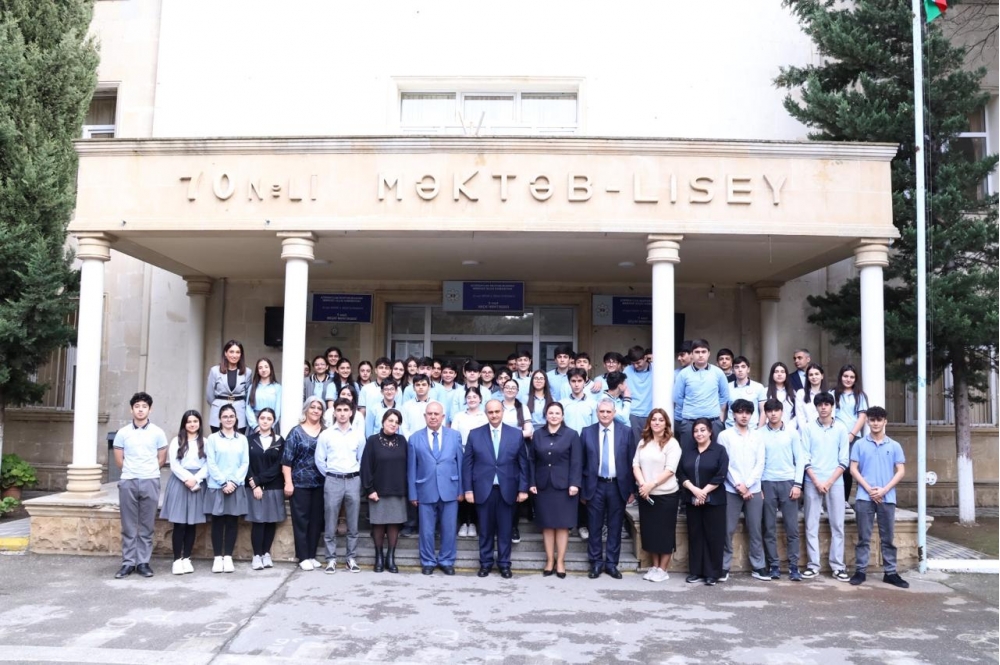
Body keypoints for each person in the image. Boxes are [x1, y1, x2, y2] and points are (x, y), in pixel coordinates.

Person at [463, 399, 530, 578]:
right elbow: (467, 465)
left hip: (507, 489)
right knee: (485, 530)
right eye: (490, 412)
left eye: (497, 411)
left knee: (505, 530)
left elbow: (523, 463)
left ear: (503, 412)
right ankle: (485, 563)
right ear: (486, 413)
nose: (494, 415)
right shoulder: (475, 434)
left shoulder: (515, 434)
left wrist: (523, 489)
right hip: (483, 490)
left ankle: (504, 564)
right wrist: (468, 490)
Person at [849, 406, 909, 588]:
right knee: (863, 537)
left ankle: (890, 572)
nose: (875, 423)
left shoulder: (894, 445)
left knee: (887, 537)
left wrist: (884, 490)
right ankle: (860, 571)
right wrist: (869, 489)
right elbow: (853, 469)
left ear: (885, 422)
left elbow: (900, 471)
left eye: (879, 420)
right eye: (872, 420)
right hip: (864, 497)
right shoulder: (859, 444)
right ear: (867, 422)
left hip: (887, 498)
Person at [580, 398, 637, 580]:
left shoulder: (626, 432)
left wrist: (632, 489)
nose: (605, 415)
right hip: (594, 485)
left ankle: (612, 564)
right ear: (597, 413)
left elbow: (632, 462)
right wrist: (582, 489)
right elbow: (581, 462)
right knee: (594, 526)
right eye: (602, 411)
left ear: (614, 413)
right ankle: (596, 563)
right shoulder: (587, 432)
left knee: (615, 526)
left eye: (608, 412)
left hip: (617, 486)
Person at [113, 392, 168, 579]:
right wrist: (132, 471)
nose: (140, 410)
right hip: (128, 481)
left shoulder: (158, 432)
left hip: (150, 480)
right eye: (137, 406)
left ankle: (143, 562)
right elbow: (119, 460)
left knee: (146, 524)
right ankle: (128, 563)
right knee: (128, 525)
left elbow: (161, 459)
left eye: (144, 406)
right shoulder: (123, 433)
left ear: (150, 410)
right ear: (131, 409)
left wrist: (147, 471)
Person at [407, 401, 464, 575]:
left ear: (443, 416)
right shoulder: (414, 438)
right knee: (426, 530)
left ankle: (447, 561)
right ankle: (428, 561)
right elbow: (411, 468)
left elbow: (460, 464)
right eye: (429, 414)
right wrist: (412, 493)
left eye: (436, 414)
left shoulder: (455, 436)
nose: (433, 417)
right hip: (425, 489)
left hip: (450, 488)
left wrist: (461, 489)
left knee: (449, 529)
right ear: (425, 416)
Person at [527, 402, 582, 579]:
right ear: (546, 415)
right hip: (543, 486)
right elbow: (531, 461)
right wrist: (532, 482)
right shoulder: (538, 434)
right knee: (547, 525)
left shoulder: (571, 434)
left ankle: (560, 562)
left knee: (562, 525)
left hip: (565, 487)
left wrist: (575, 483)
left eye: (557, 413)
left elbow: (576, 461)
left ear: (562, 416)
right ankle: (550, 560)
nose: (554, 416)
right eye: (551, 413)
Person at [801, 392, 850, 581]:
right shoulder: (808, 428)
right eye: (820, 404)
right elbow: (805, 457)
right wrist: (816, 481)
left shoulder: (841, 428)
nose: (823, 407)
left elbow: (844, 460)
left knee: (837, 525)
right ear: (816, 407)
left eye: (826, 404)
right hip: (812, 481)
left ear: (831, 406)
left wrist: (829, 482)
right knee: (810, 525)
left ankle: (838, 566)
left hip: (835, 482)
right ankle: (813, 565)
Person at [718, 399, 768, 582]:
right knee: (727, 529)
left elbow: (760, 463)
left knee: (755, 529)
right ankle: (724, 566)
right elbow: (725, 463)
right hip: (731, 489)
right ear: (733, 414)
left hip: (753, 489)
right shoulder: (725, 436)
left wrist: (748, 484)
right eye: (740, 412)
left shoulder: (758, 436)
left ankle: (758, 566)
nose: (744, 415)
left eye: (747, 412)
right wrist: (739, 485)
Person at [315, 397, 366, 574]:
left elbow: (362, 459)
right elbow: (320, 460)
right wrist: (331, 475)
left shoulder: (358, 435)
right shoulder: (326, 435)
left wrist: (354, 475)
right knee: (330, 522)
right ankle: (331, 559)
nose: (342, 414)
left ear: (351, 412)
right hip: (333, 479)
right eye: (339, 410)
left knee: (353, 521)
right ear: (334, 412)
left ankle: (351, 558)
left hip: (353, 479)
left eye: (346, 410)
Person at [677, 417, 730, 586]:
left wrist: (703, 493)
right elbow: (681, 473)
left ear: (710, 432)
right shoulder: (688, 451)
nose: (699, 434)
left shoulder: (719, 450)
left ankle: (712, 573)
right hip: (692, 499)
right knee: (695, 535)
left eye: (702, 430)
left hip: (714, 501)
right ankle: (696, 571)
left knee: (714, 537)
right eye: (696, 431)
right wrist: (695, 491)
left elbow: (721, 474)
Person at [631, 408, 681, 583]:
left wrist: (651, 485)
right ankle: (654, 566)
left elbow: (670, 470)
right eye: (654, 419)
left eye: (660, 420)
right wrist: (643, 485)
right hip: (646, 495)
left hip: (666, 495)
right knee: (650, 531)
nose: (657, 422)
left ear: (666, 423)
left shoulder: (672, 444)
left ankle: (663, 569)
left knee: (664, 533)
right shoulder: (643, 442)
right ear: (649, 423)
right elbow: (635, 465)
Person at [760, 398, 804, 581]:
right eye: (769, 411)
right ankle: (774, 566)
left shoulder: (792, 432)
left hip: (788, 482)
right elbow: (757, 461)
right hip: (767, 482)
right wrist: (758, 486)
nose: (773, 414)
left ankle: (794, 566)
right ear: (765, 413)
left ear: (781, 412)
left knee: (792, 528)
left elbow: (800, 459)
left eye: (776, 410)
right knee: (769, 528)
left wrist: (797, 484)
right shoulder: (759, 434)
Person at [361, 408, 408, 573]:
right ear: (383, 422)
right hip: (378, 491)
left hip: (398, 490)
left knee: (394, 524)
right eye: (390, 421)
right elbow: (365, 467)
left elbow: (407, 466)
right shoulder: (373, 441)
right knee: (379, 524)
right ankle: (379, 557)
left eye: (396, 422)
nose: (393, 424)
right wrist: (369, 489)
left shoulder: (402, 441)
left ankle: (390, 557)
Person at [282, 396, 326, 571]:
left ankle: (311, 555)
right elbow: (286, 460)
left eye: (319, 408)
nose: (315, 410)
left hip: (321, 483)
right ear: (306, 409)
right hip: (299, 483)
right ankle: (303, 556)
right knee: (301, 521)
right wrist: (288, 482)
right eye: (312, 407)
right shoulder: (296, 432)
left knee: (316, 521)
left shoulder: (326, 432)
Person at [161, 409, 208, 575]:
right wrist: (187, 478)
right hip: (180, 482)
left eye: (195, 421)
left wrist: (197, 479)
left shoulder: (205, 442)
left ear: (199, 423)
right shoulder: (177, 441)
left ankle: (187, 558)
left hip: (197, 482)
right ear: (184, 424)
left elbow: (208, 464)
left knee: (191, 523)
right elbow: (174, 465)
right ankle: (177, 559)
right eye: (189, 421)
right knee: (180, 523)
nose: (192, 424)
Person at [204, 403, 249, 573]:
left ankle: (228, 557)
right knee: (217, 522)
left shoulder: (242, 439)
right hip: (217, 486)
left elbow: (245, 463)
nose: (228, 419)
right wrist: (223, 482)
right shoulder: (213, 439)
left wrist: (234, 482)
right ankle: (217, 557)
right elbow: (211, 463)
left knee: (232, 521)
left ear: (236, 418)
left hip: (236, 486)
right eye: (225, 417)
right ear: (219, 419)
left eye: (231, 416)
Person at [244, 408, 285, 570]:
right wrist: (254, 484)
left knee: (270, 522)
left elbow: (278, 466)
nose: (265, 421)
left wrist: (259, 480)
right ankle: (257, 555)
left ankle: (266, 553)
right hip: (254, 487)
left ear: (273, 421)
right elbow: (245, 463)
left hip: (273, 486)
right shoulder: (248, 440)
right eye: (262, 418)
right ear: (258, 420)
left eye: (269, 418)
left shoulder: (280, 440)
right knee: (258, 522)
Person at [673, 339, 729, 447]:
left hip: (713, 421)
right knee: (688, 454)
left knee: (713, 454)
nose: (700, 355)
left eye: (703, 352)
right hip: (689, 422)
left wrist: (713, 408)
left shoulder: (718, 373)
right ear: (692, 354)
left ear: (709, 353)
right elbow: (678, 397)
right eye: (697, 352)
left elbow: (725, 395)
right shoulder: (683, 374)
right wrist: (692, 407)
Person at [451, 386, 488, 538]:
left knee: (475, 487)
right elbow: (453, 436)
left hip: (480, 456)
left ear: (480, 399)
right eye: (469, 397)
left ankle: (472, 522)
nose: (472, 399)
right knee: (462, 487)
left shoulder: (485, 416)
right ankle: (463, 522)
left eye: (474, 397)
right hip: (461, 454)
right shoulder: (459, 416)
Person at [832, 364, 869, 513]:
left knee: (848, 469)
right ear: (841, 377)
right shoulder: (833, 393)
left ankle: (845, 500)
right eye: (846, 376)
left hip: (853, 437)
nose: (848, 379)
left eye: (852, 377)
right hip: (835, 436)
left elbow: (862, 416)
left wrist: (852, 434)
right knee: (835, 468)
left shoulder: (860, 395)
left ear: (856, 379)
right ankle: (832, 500)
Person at [206, 340, 252, 434]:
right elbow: (209, 395)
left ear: (241, 355)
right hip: (218, 413)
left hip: (239, 413)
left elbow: (248, 395)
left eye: (237, 352)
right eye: (231, 352)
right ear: (225, 353)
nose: (234, 355)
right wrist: (218, 404)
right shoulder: (215, 370)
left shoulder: (247, 372)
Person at [624, 345, 654, 442]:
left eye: (638, 363)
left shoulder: (656, 368)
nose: (636, 366)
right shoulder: (627, 370)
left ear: (645, 358)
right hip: (633, 413)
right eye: (633, 363)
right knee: (636, 445)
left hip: (651, 413)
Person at [246, 357, 281, 434]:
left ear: (271, 369)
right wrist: (255, 426)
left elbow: (278, 409)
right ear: (257, 371)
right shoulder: (252, 387)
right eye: (260, 368)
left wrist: (270, 425)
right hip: (255, 422)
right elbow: (248, 409)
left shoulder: (277, 387)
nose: (263, 370)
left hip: (271, 423)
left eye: (266, 367)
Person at [560, 368, 597, 434]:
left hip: (586, 439)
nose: (576, 384)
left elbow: (595, 427)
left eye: (579, 381)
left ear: (584, 382)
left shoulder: (593, 404)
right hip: (567, 439)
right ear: (569, 382)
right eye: (573, 381)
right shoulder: (562, 404)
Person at [795, 362, 828, 432]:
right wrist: (807, 433)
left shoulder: (829, 394)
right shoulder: (801, 393)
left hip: (823, 432)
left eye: (816, 374)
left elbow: (831, 416)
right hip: (805, 433)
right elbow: (800, 417)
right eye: (811, 375)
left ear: (822, 376)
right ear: (807, 377)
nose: (814, 377)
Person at [766, 361, 798, 432]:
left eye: (782, 372)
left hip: (789, 430)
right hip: (769, 430)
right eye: (776, 372)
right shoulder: (765, 392)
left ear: (786, 375)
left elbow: (797, 413)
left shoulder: (793, 393)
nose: (779, 374)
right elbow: (763, 413)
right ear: (772, 374)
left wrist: (789, 427)